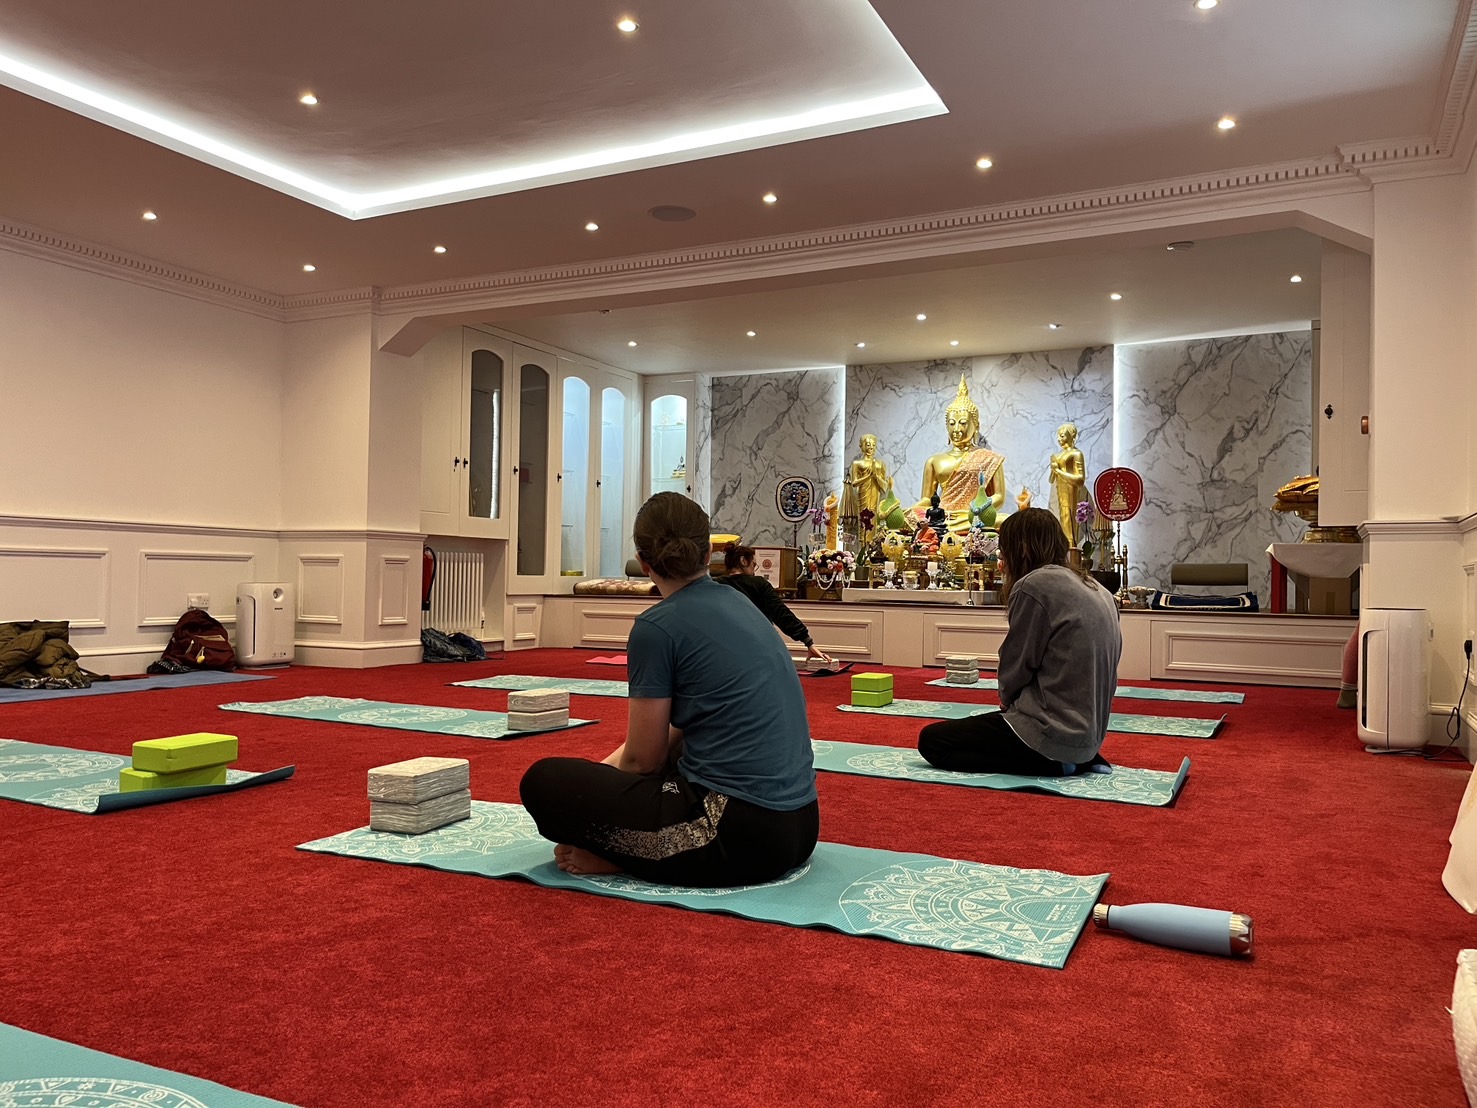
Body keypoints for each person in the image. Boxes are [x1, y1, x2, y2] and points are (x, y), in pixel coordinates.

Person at [520, 493, 820, 887]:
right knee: (668, 757)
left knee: (544, 783)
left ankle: (624, 856)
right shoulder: (740, 600)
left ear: (643, 563)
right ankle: (638, 847)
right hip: (801, 827)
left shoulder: (656, 627)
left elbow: (643, 761)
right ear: (708, 552)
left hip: (736, 837)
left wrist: (597, 786)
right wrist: (603, 777)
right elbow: (679, 731)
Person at [917, 507, 1121, 776]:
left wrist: (1007, 700)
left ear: (1022, 548)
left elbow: (1018, 664)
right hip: (1090, 737)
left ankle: (1053, 764)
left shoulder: (1035, 585)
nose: (1002, 560)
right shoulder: (1098, 589)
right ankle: (1080, 759)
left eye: (1004, 552)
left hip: (1049, 729)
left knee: (933, 742)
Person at [913, 374, 1007, 539]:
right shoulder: (934, 461)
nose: (956, 429)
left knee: (1005, 520)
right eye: (951, 423)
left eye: (963, 423)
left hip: (973, 516)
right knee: (909, 517)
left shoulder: (990, 458)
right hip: (943, 518)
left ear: (975, 426)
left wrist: (978, 508)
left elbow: (999, 497)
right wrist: (912, 510)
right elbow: (927, 499)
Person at [717, 544, 828, 663]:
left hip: (724, 646)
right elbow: (780, 613)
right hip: (756, 646)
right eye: (754, 564)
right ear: (743, 561)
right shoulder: (758, 584)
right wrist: (807, 641)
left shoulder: (717, 584)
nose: (754, 570)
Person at [841, 433, 894, 527]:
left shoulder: (880, 464)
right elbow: (854, 483)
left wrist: (876, 477)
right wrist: (868, 476)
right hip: (863, 494)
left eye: (873, 445)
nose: (871, 447)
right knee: (863, 519)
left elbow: (885, 486)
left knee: (873, 518)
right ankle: (863, 536)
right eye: (868, 445)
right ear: (861, 446)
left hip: (875, 494)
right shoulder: (857, 463)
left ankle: (873, 536)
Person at [1048, 421, 1087, 546]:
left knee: (1069, 516)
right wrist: (1054, 468)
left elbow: (1080, 479)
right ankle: (1063, 543)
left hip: (1071, 490)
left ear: (1071, 436)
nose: (1059, 439)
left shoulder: (1076, 454)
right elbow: (1051, 479)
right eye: (1058, 436)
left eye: (1062, 435)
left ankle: (1071, 544)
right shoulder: (1059, 455)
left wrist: (1058, 471)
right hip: (1060, 491)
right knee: (1062, 516)